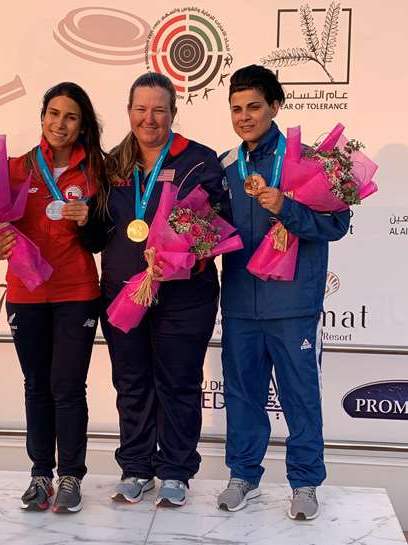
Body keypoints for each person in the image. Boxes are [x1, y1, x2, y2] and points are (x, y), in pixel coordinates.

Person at [217, 65, 350, 520]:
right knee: (240, 393)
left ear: (276, 106)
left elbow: (336, 225)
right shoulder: (224, 167)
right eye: (236, 109)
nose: (244, 117)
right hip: (238, 303)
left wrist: (286, 207)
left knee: (299, 394)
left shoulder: (309, 161)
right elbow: (211, 231)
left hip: (293, 304)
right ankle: (243, 475)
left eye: (254, 106)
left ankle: (306, 481)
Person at [98, 72, 224, 507]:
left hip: (184, 298)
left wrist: (185, 253)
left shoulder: (200, 161)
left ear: (173, 111)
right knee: (131, 383)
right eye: (140, 109)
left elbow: (218, 230)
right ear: (129, 111)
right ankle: (135, 467)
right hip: (124, 294)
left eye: (158, 109)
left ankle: (175, 472)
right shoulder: (111, 164)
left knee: (178, 383)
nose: (148, 118)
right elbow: (100, 232)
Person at [0, 82, 107, 513]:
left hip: (76, 291)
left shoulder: (96, 172)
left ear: (82, 127)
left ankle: (71, 477)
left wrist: (87, 221)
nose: (60, 123)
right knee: (36, 386)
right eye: (54, 114)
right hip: (26, 292)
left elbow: (100, 241)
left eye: (71, 117)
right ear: (43, 117)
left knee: (68, 386)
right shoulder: (17, 168)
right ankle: (41, 474)